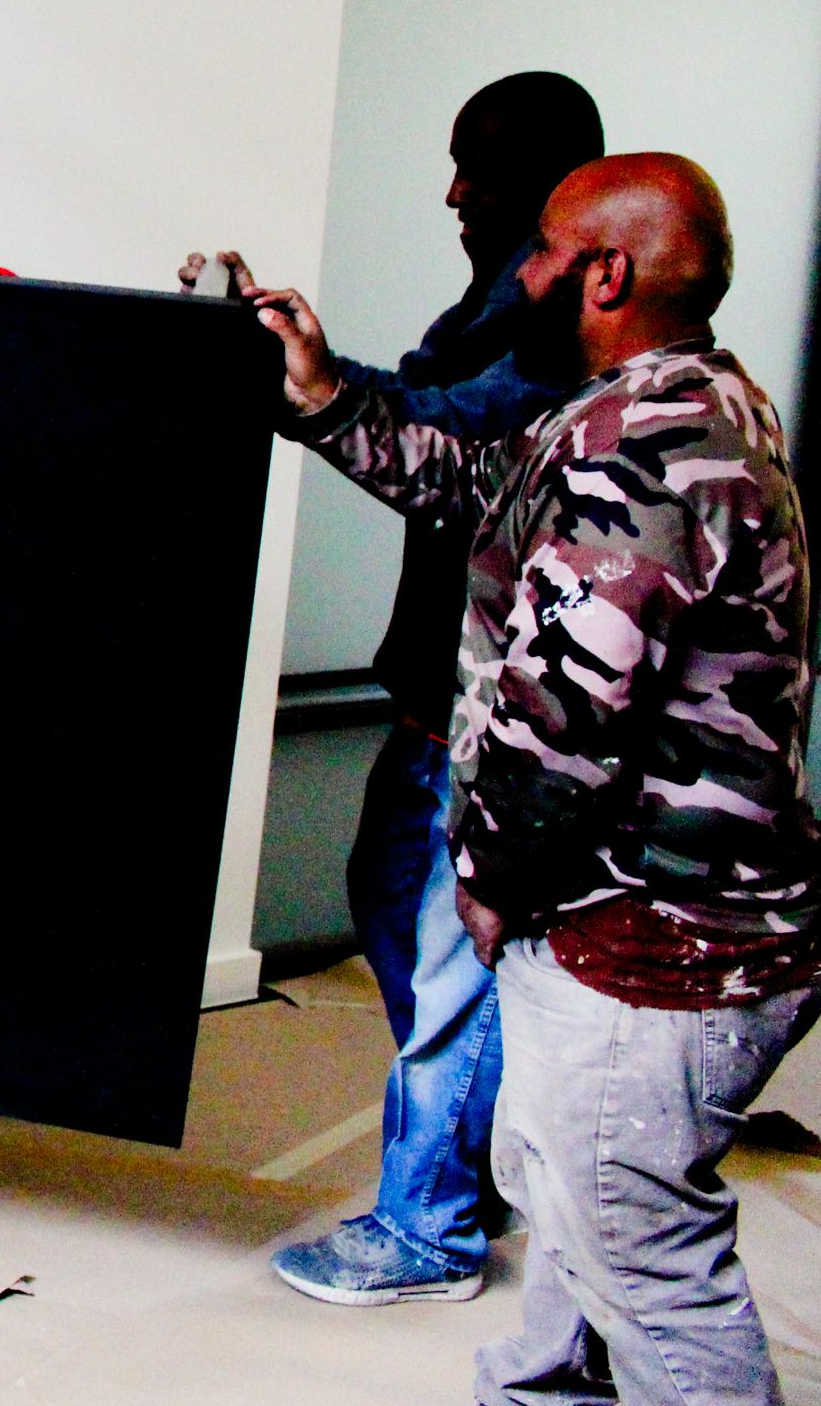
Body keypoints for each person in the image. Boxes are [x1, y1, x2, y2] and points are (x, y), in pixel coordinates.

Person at [252, 154, 821, 1406]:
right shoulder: (664, 403)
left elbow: (564, 716)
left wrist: (485, 877)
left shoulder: (651, 441)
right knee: (567, 1198)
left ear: (606, 272)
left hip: (660, 951)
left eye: (545, 249)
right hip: (656, 933)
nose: (520, 268)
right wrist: (319, 393)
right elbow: (480, 488)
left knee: (651, 1267)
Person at [187, 69, 604, 1305]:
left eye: (476, 165)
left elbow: (453, 453)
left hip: (498, 721)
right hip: (440, 691)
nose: (452, 191)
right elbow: (424, 412)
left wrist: (318, 393)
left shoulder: (563, 334)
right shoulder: (504, 295)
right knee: (407, 919)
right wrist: (294, 368)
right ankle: (486, 1151)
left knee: (451, 967)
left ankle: (431, 1222)